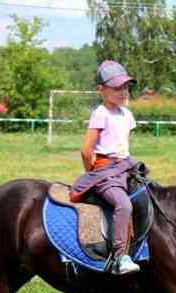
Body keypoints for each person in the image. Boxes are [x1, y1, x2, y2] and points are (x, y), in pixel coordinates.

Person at [70, 60, 140, 275]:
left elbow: (123, 145)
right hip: (105, 170)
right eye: (116, 88)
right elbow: (86, 150)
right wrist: (95, 173)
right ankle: (120, 257)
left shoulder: (127, 114)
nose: (123, 92)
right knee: (124, 205)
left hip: (125, 166)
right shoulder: (101, 113)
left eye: (125, 87)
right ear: (101, 89)